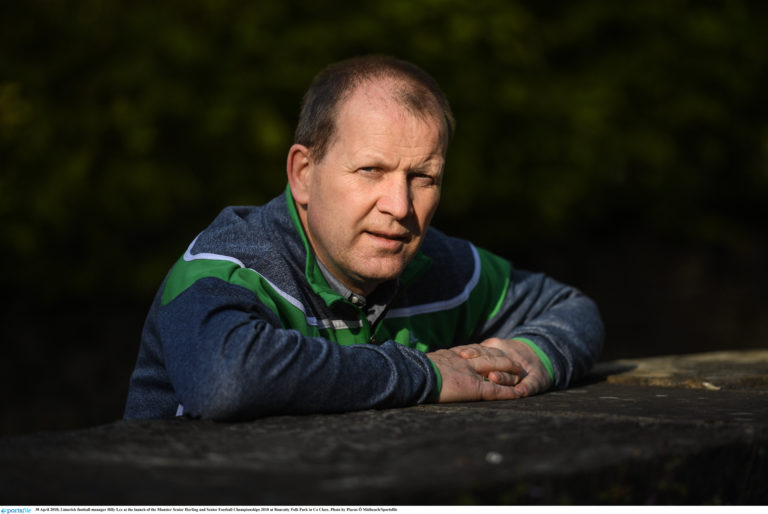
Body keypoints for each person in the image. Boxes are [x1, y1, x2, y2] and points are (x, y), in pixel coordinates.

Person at [124, 55, 604, 420]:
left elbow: (571, 308)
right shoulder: (228, 263)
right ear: (303, 173)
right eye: (371, 170)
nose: (399, 206)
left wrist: (531, 356)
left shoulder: (440, 266)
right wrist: (427, 374)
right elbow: (223, 379)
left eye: (424, 177)